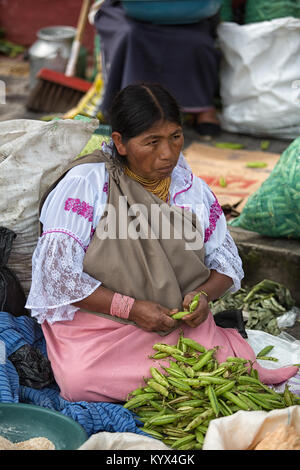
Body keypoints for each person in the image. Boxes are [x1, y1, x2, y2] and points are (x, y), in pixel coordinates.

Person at [26, 83, 297, 403]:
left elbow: (225, 263)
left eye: (175, 137)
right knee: (82, 383)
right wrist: (131, 308)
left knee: (224, 372)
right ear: (120, 143)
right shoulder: (88, 184)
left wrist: (203, 296)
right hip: (101, 326)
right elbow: (57, 276)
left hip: (177, 324)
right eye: (151, 142)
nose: (167, 153)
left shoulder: (191, 190)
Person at [91, 0, 221, 135]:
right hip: (130, 9)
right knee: (130, 34)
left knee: (197, 42)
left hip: (188, 11)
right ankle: (130, 109)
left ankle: (202, 109)